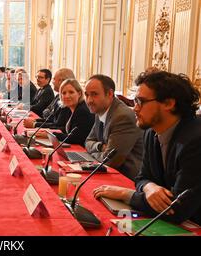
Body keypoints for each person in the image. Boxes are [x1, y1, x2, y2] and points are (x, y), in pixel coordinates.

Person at [93, 71, 201, 225]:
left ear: (169, 104)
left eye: (140, 101)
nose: (135, 108)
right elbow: (141, 177)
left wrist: (125, 194)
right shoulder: (151, 132)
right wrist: (150, 187)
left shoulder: (195, 141)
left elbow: (177, 209)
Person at [84, 75, 144, 179]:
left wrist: (90, 155)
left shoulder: (122, 116)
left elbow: (109, 161)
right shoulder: (100, 109)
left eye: (94, 94)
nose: (89, 100)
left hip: (126, 179)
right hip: (107, 172)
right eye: (87, 95)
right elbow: (88, 141)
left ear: (110, 94)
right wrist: (99, 146)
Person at [53, 79, 94, 146]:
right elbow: (65, 128)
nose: (67, 96)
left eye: (71, 92)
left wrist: (52, 135)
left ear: (79, 94)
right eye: (64, 93)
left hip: (84, 150)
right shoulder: (69, 108)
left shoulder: (82, 110)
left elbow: (75, 138)